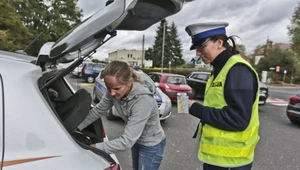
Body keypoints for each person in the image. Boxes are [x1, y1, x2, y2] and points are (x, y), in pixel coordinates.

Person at [185, 22, 260, 170]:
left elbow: (238, 119)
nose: (198, 53)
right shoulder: (220, 68)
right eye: (196, 48)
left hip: (232, 163)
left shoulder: (237, 69)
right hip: (220, 160)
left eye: (201, 47)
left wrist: (196, 109)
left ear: (219, 42)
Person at [77, 60, 166, 170]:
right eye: (108, 88)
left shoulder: (143, 100)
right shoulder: (113, 91)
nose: (112, 93)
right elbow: (98, 110)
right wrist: (77, 127)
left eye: (117, 88)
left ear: (129, 82)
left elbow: (127, 141)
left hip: (151, 145)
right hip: (136, 140)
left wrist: (93, 147)